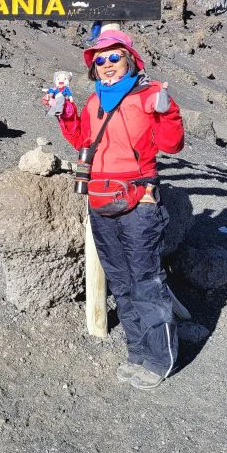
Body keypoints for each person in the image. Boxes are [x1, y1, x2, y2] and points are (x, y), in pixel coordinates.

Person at [54, 29, 184, 390]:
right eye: (100, 60)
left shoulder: (148, 96)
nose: (107, 64)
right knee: (122, 282)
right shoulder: (94, 103)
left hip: (140, 202)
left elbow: (172, 145)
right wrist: (65, 114)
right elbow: (82, 141)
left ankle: (160, 359)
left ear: (129, 59)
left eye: (114, 57)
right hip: (101, 200)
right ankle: (137, 351)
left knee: (146, 281)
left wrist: (168, 110)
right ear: (93, 68)